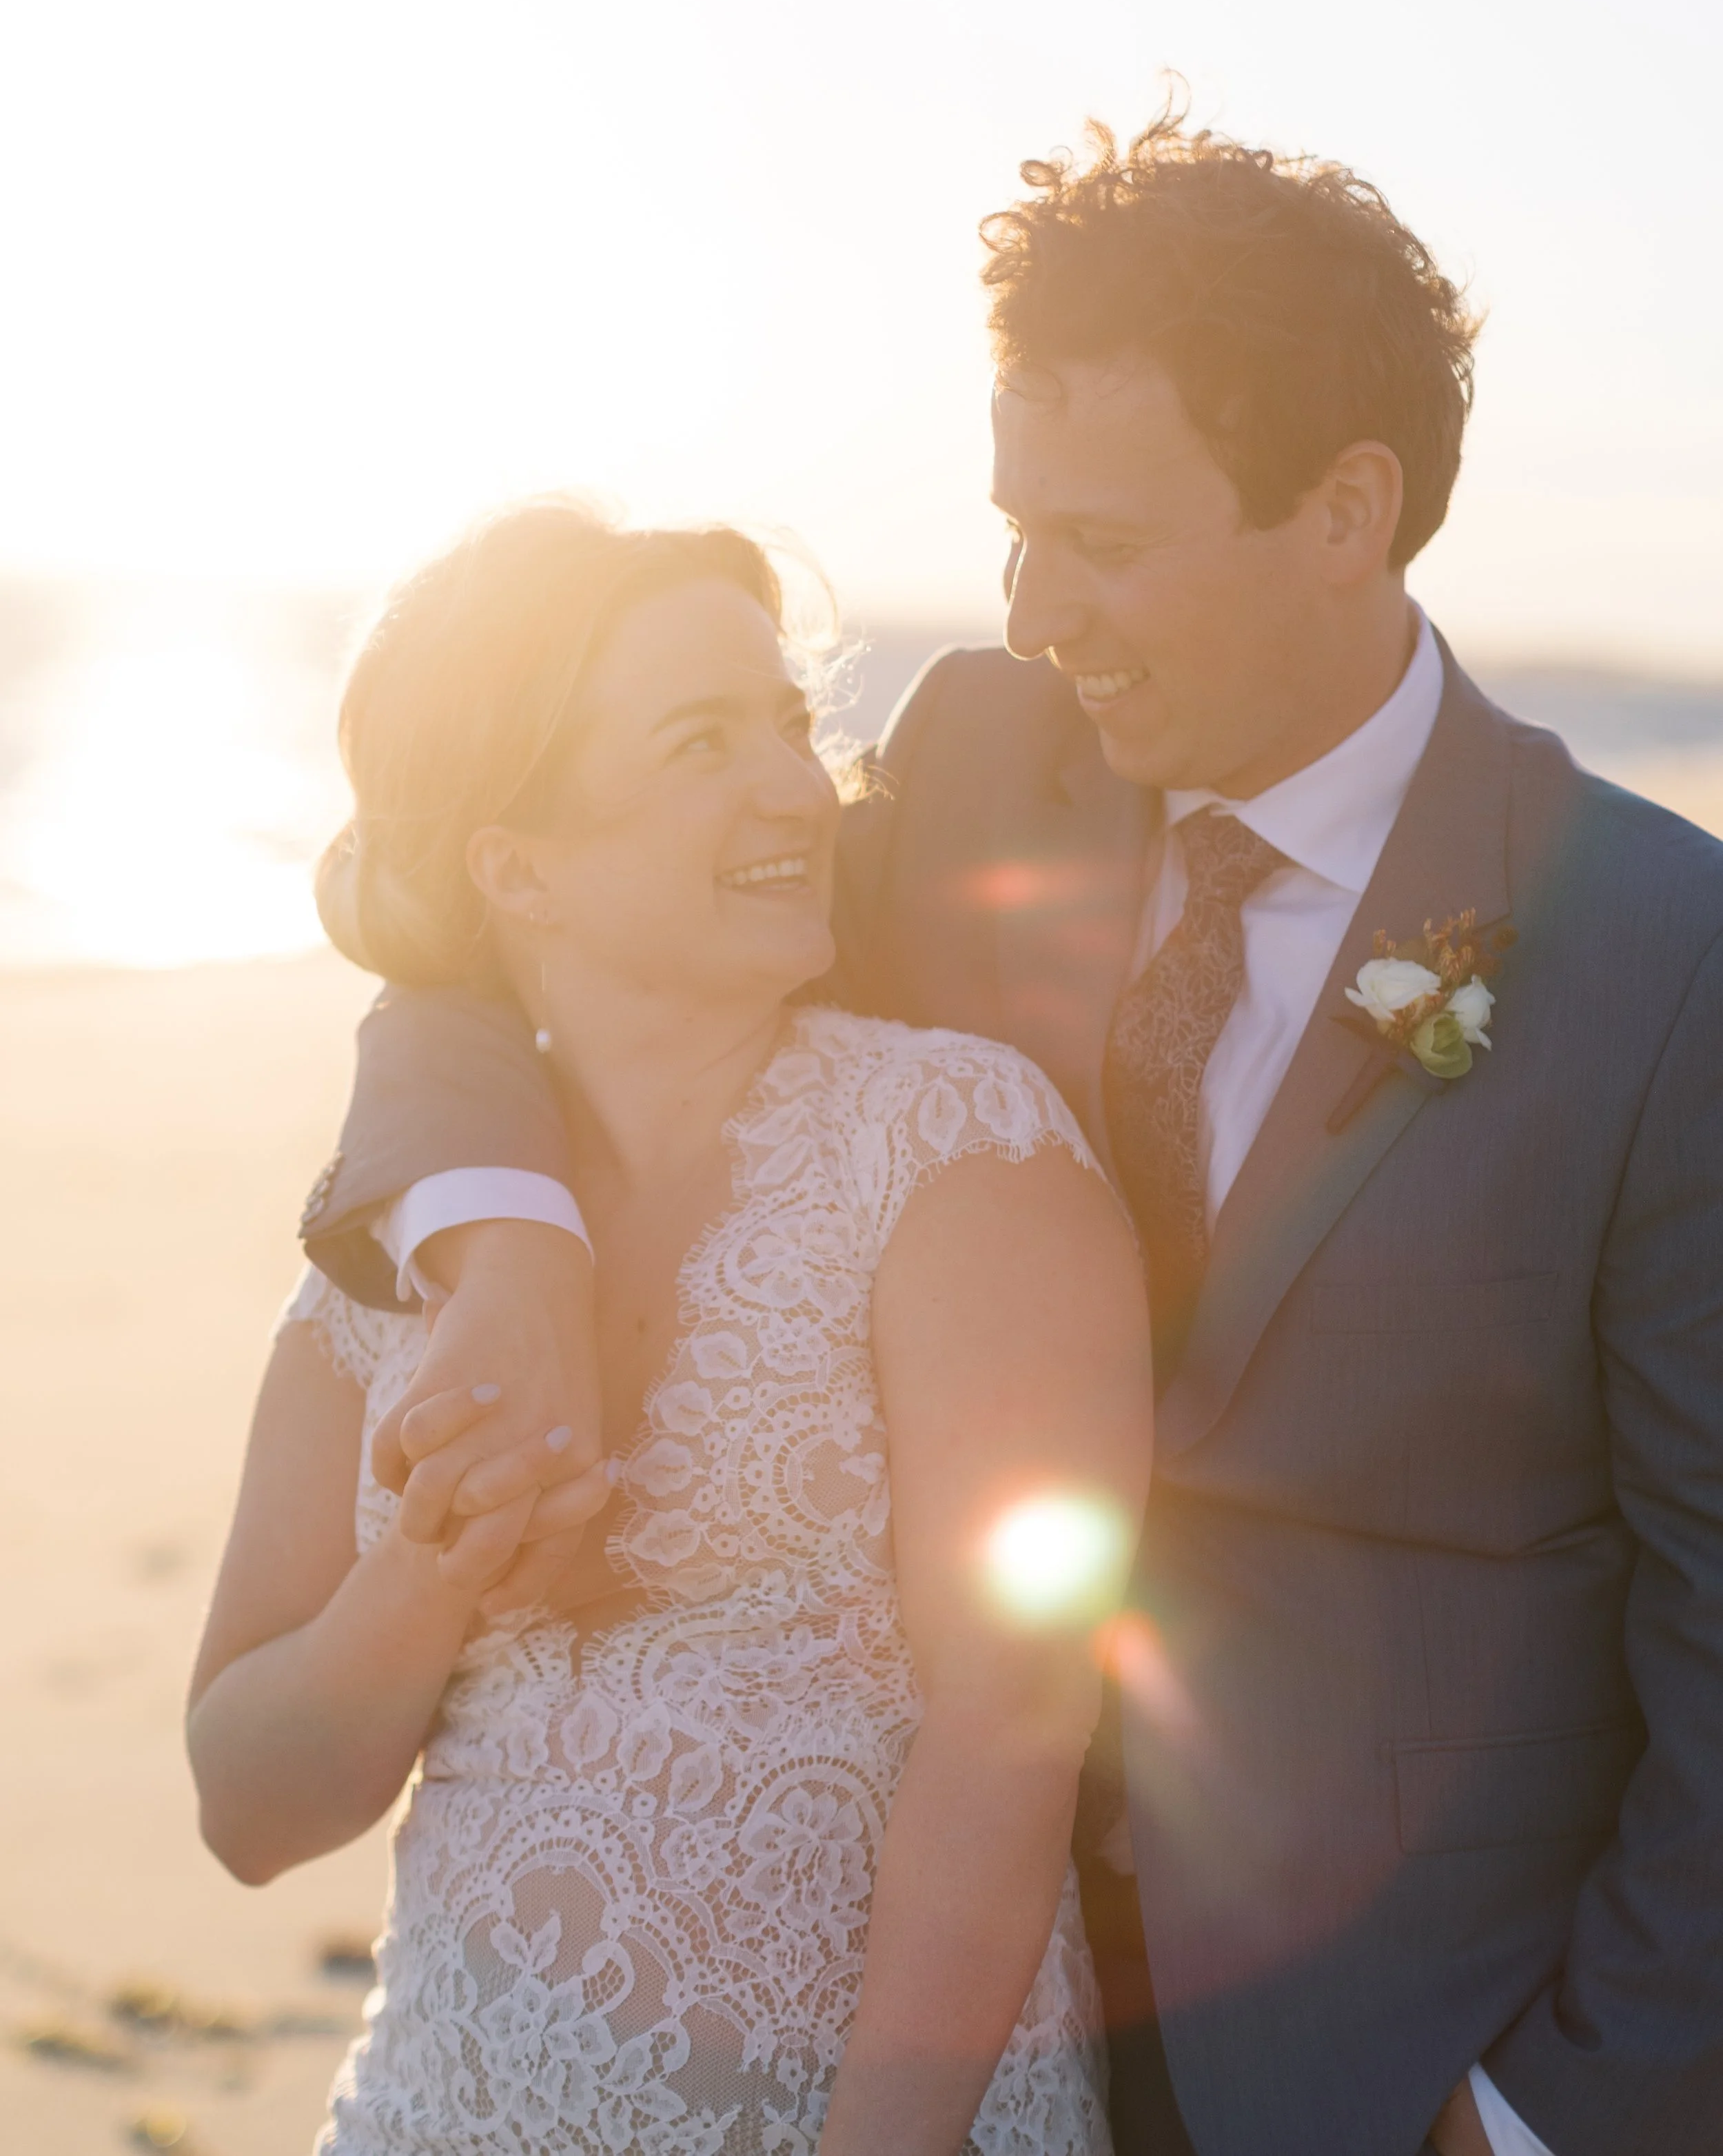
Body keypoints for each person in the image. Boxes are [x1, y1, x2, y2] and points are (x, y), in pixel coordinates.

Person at [300, 108, 1723, 2156]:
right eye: (1014, 522)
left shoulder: (1658, 959)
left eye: (1107, 543)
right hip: (942, 1995)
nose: (1033, 604)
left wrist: (1550, 2112)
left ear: (1345, 509)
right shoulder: (980, 768)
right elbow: (467, 927)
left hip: (1396, 2053)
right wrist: (502, 1227)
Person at [188, 505, 1153, 2155]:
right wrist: (432, 1571)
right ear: (517, 861)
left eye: (786, 724)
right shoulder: (400, 1239)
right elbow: (253, 1810)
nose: (794, 787)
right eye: (701, 742)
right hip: (443, 2110)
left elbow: (1013, 1723)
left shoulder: (948, 1146)